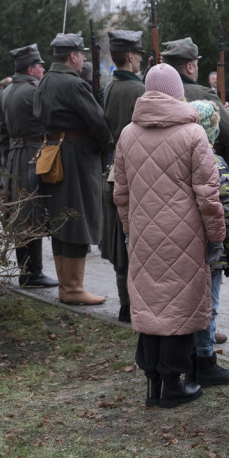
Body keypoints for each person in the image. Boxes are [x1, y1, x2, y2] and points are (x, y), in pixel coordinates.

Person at [113, 64, 226, 408]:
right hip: (184, 235)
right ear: (178, 92)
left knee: (150, 306)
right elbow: (209, 195)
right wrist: (216, 236)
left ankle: (152, 385)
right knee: (178, 307)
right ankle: (173, 386)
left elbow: (121, 192)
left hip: (144, 233)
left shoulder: (127, 134)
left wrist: (131, 230)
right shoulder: (194, 135)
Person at [33, 32, 113, 305]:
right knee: (77, 218)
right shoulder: (74, 84)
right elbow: (99, 123)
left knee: (61, 220)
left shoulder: (45, 81)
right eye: (80, 54)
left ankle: (67, 286)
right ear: (73, 56)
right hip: (77, 158)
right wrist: (107, 147)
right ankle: (73, 288)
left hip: (54, 153)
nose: (82, 59)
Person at [189, 100, 229, 387]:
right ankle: (206, 360)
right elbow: (228, 209)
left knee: (190, 304)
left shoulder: (181, 157)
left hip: (185, 248)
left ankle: (191, 358)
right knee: (209, 306)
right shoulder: (215, 162)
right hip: (212, 250)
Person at [0, 43, 57, 289]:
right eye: (40, 66)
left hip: (13, 157)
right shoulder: (33, 91)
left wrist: (7, 157)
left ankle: (27, 271)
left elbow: (2, 134)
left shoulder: (6, 92)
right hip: (32, 156)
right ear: (31, 69)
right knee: (31, 213)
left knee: (19, 213)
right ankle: (33, 273)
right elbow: (50, 122)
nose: (43, 69)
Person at [101, 30, 146, 322]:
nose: (141, 59)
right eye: (138, 54)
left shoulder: (107, 89)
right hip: (136, 173)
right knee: (137, 244)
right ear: (130, 56)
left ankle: (125, 305)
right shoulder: (139, 91)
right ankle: (136, 307)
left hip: (113, 170)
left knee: (120, 243)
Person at [161, 37, 229, 169]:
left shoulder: (152, 92)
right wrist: (224, 164)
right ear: (189, 67)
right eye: (196, 64)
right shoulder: (204, 94)